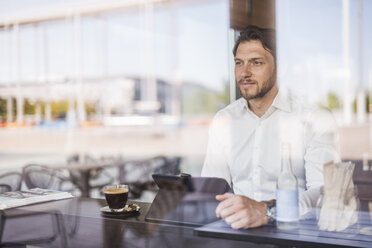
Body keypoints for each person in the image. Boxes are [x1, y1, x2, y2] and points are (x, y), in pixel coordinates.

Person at [201, 25, 340, 229]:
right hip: (234, 233)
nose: (244, 72)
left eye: (256, 63)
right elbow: (212, 191)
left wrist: (267, 210)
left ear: (280, 67)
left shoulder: (314, 118)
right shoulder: (224, 120)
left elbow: (325, 191)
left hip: (296, 234)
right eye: (239, 63)